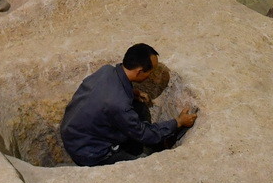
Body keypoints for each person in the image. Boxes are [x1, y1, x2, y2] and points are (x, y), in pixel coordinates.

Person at [60, 43, 198, 167]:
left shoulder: (106, 70)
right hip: (88, 152)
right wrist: (178, 122)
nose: (151, 76)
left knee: (139, 107)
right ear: (139, 71)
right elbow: (143, 133)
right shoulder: (120, 105)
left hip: (73, 134)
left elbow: (105, 94)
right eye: (151, 72)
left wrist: (132, 93)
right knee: (144, 163)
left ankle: (146, 143)